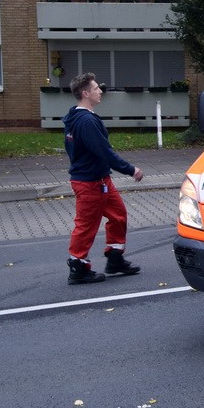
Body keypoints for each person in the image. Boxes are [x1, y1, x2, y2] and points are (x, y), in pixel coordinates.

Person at [62, 73, 144, 284]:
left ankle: (115, 258)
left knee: (118, 215)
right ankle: (78, 267)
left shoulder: (76, 117)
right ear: (85, 93)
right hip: (90, 183)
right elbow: (104, 152)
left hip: (100, 180)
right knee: (86, 225)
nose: (101, 91)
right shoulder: (86, 121)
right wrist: (131, 169)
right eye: (97, 88)